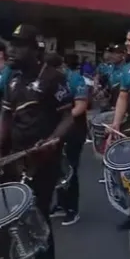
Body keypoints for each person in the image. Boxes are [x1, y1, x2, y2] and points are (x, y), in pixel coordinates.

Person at [0, 24, 74, 259]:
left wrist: (53, 140)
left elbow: (68, 118)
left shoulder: (53, 78)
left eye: (19, 45)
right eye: (10, 45)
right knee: (15, 222)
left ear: (35, 49)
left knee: (37, 222)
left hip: (42, 163)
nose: (12, 51)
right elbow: (4, 117)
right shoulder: (12, 80)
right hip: (13, 161)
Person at [48, 53, 88, 226]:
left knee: (70, 167)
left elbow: (80, 107)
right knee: (56, 168)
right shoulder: (49, 81)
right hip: (56, 130)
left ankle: (73, 209)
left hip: (74, 129)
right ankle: (61, 204)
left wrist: (60, 117)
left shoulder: (75, 79)